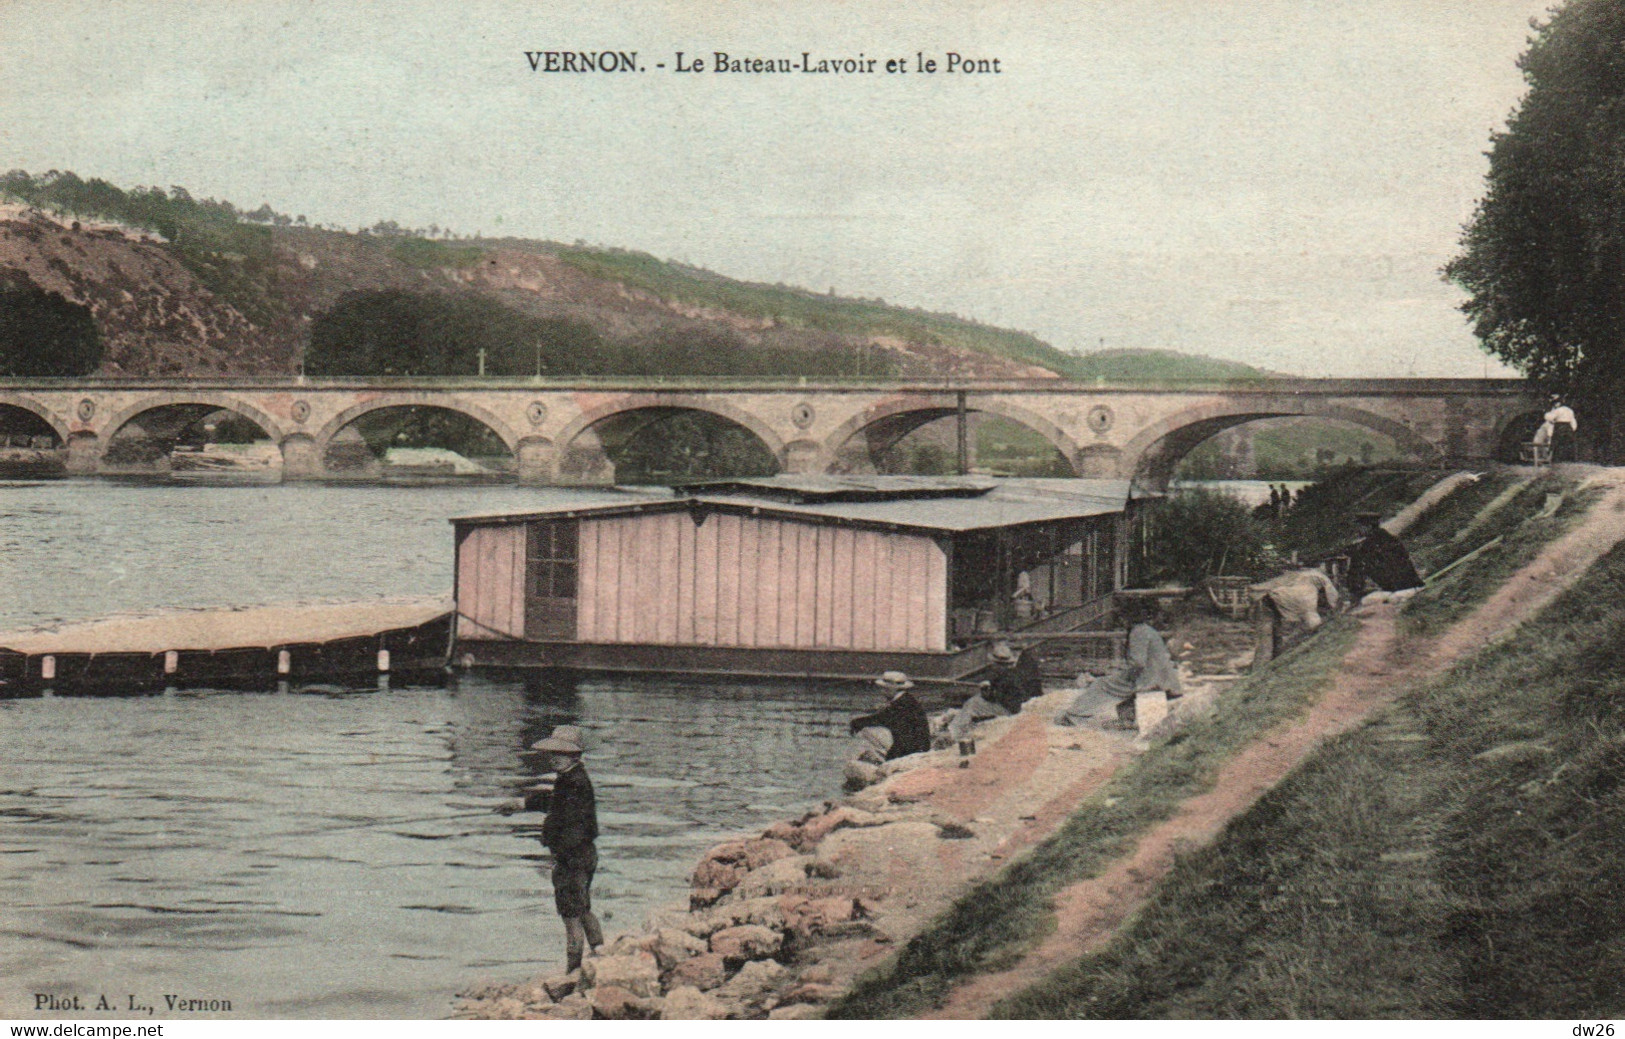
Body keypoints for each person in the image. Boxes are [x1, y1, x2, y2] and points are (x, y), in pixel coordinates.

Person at [498, 724, 603, 973]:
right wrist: (521, 803)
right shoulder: (572, 779)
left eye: (561, 753)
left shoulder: (573, 783)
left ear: (575, 756)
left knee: (570, 916)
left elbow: (573, 827)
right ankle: (601, 954)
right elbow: (554, 802)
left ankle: (572, 971)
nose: (554, 757)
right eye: (553, 752)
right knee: (583, 908)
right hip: (585, 855)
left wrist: (559, 857)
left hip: (572, 859)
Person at [1056, 601, 1182, 728]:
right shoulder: (1147, 630)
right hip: (1162, 677)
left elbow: (1138, 663)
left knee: (1101, 684)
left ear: (1126, 618)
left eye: (1121, 618)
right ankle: (1128, 718)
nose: (1120, 621)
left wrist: (1124, 677)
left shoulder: (1138, 632)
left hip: (1150, 679)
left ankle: (1074, 717)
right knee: (1118, 684)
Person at [849, 671, 930, 759]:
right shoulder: (907, 700)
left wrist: (856, 722)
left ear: (892, 688)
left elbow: (881, 718)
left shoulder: (901, 704)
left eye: (884, 689)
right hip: (917, 746)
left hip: (912, 750)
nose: (882, 692)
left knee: (868, 730)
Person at [1344, 512, 1423, 597]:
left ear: (1369, 527)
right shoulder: (1389, 538)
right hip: (1413, 584)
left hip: (1395, 590)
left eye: (1360, 527)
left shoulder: (1367, 546)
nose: (1358, 531)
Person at [984, 641, 1043, 715]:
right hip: (1025, 701)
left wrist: (985, 689)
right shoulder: (1014, 670)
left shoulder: (1002, 674)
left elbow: (993, 697)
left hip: (1013, 709)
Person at [1534, 396, 1578, 462]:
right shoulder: (1569, 410)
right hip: (1568, 428)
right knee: (1568, 443)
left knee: (1556, 443)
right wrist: (1572, 429)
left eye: (1556, 403)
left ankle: (1555, 458)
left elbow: (1549, 417)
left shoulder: (1558, 410)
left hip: (1560, 426)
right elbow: (1573, 421)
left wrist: (1549, 417)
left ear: (1559, 403)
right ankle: (1570, 458)